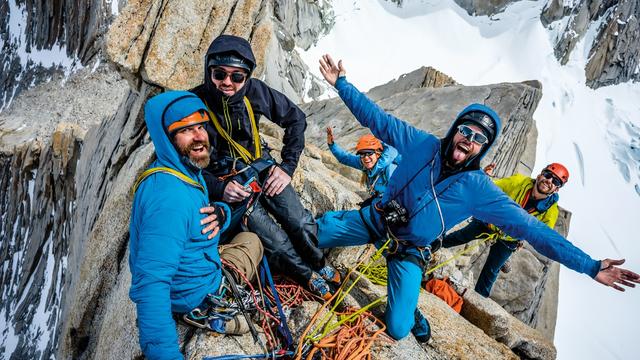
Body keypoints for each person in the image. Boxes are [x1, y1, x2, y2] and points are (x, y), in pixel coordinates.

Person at [315, 54, 640, 343]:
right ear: (455, 129)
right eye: (466, 131)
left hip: (408, 251)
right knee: (315, 233)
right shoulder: (421, 143)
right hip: (376, 219)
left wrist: (591, 266)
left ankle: (411, 311)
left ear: (483, 149)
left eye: (479, 139)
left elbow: (535, 231)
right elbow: (378, 120)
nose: (469, 141)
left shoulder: (478, 188)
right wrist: (341, 84)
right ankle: (338, 228)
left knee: (398, 329)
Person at [191, 34, 339, 300]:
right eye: (219, 74)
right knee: (275, 241)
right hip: (231, 185)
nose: (227, 82)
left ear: (246, 77)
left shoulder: (255, 92)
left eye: (237, 77)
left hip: (263, 169)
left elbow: (296, 119)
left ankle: (319, 263)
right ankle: (307, 276)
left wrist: (287, 167)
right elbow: (184, 163)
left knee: (299, 222)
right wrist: (220, 188)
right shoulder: (194, 105)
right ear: (208, 71)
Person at [129, 91, 264, 359]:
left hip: (201, 270)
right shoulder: (169, 198)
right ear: (167, 138)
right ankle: (213, 315)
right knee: (253, 243)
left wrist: (222, 212)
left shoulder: (183, 172)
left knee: (249, 239)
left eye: (201, 126)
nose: (200, 136)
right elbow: (151, 285)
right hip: (195, 298)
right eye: (186, 130)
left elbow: (196, 219)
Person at [442, 162, 571, 297]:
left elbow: (541, 235)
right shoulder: (519, 181)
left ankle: (478, 303)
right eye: (548, 175)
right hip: (490, 222)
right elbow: (495, 186)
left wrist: (523, 236)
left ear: (556, 189)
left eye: (555, 181)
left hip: (510, 238)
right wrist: (485, 177)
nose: (549, 180)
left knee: (491, 270)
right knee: (459, 237)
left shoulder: (551, 212)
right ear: (540, 175)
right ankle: (427, 248)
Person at [326, 127, 400, 203]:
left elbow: (401, 194)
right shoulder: (364, 163)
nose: (366, 158)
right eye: (362, 154)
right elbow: (345, 158)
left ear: (378, 153)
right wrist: (332, 145)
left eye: (369, 153)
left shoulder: (390, 169)